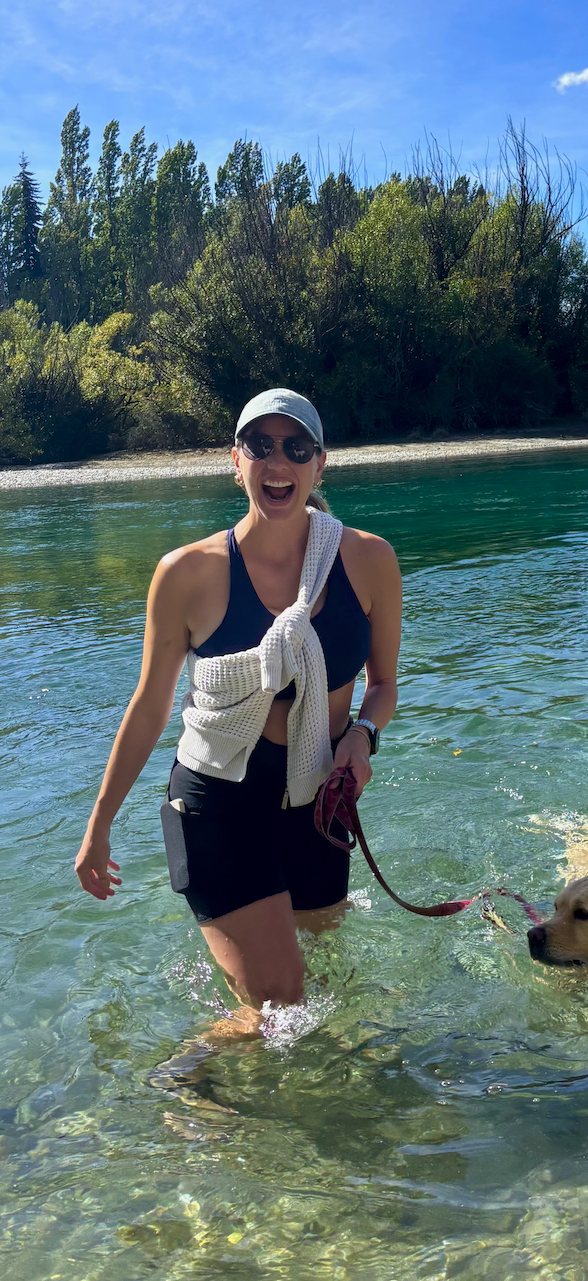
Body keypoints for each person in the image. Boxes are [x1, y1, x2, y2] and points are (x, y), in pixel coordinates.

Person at [74, 388, 402, 1018]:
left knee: (323, 999)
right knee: (282, 1004)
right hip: (219, 799)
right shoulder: (186, 573)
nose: (278, 461)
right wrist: (99, 826)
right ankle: (181, 1088)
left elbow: (383, 686)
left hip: (319, 801)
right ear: (235, 459)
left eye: (296, 447)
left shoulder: (368, 560)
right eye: (261, 445)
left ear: (319, 463)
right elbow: (150, 705)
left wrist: (363, 735)